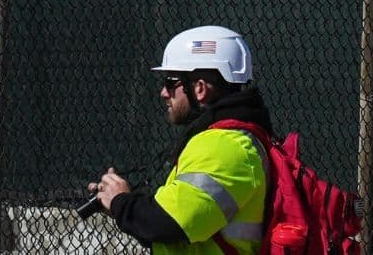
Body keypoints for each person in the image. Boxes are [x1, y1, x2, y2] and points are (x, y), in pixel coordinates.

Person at [89, 25, 273, 254]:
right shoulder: (225, 140)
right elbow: (177, 232)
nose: (163, 93)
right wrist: (119, 204)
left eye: (170, 82)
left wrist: (120, 201)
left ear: (199, 88)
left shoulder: (225, 146)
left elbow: (169, 224)